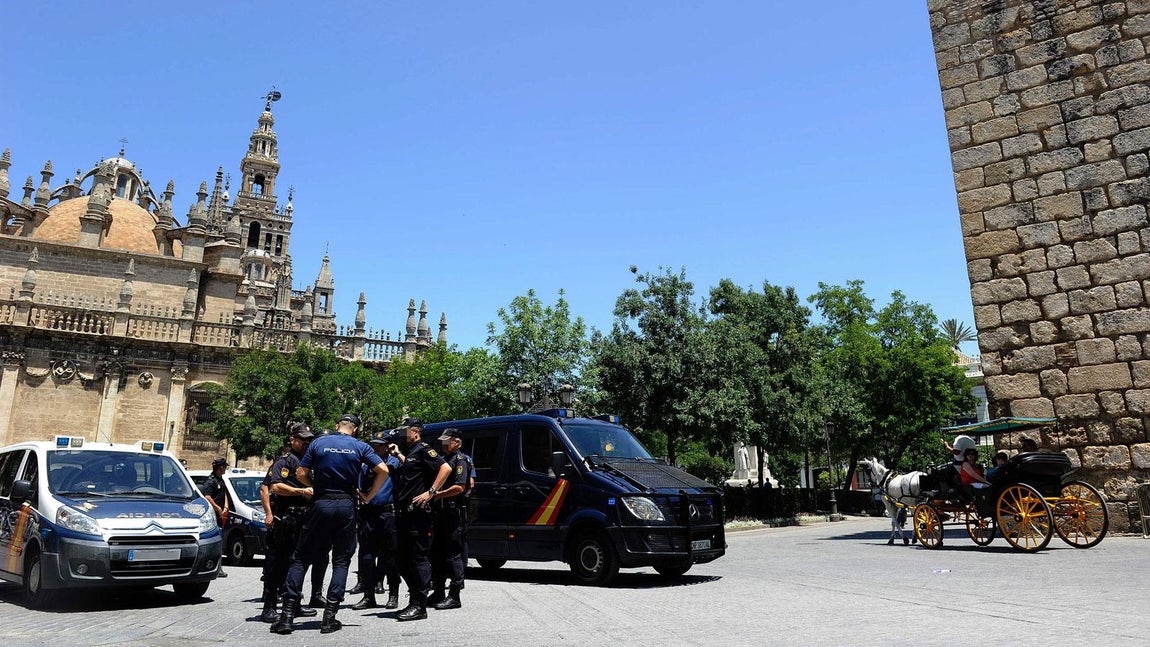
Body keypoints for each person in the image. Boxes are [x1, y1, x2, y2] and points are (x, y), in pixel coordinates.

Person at [270, 414, 388, 635]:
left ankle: (286, 617)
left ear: (336, 426)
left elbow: (301, 473)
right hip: (346, 505)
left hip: (321, 503)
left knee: (301, 558)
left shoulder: (319, 443)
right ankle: (329, 618)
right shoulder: (360, 446)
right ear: (354, 429)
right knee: (341, 561)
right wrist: (369, 496)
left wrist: (315, 486)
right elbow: (384, 470)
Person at [391, 417, 451, 621]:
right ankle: (415, 597)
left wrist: (431, 492)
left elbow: (445, 468)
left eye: (404, 430)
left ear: (415, 431)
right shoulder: (411, 452)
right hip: (405, 513)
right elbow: (412, 470)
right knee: (401, 558)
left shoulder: (424, 448)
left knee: (418, 558)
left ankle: (419, 604)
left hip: (418, 514)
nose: (401, 434)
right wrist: (399, 455)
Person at [351, 428, 403, 611]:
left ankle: (393, 593)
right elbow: (358, 486)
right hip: (369, 513)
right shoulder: (366, 465)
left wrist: (397, 453)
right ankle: (368, 595)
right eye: (374, 445)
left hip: (388, 513)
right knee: (366, 555)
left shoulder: (394, 463)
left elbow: (411, 468)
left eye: (380, 446)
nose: (376, 448)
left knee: (390, 556)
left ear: (387, 446)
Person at [428, 428, 471, 610]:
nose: (443, 444)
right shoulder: (444, 459)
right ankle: (438, 592)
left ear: (458, 442)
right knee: (436, 553)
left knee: (453, 555)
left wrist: (436, 495)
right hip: (441, 513)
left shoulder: (460, 460)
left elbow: (460, 487)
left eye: (448, 441)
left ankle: (454, 595)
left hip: (454, 513)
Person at [200, 457, 230, 578]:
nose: (225, 469)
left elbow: (224, 493)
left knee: (220, 539)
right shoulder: (210, 481)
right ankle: (216, 568)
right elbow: (207, 497)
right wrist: (218, 508)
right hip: (213, 514)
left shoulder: (220, 480)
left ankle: (219, 568)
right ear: (220, 467)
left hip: (220, 514)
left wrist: (226, 506)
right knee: (216, 541)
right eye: (225, 466)